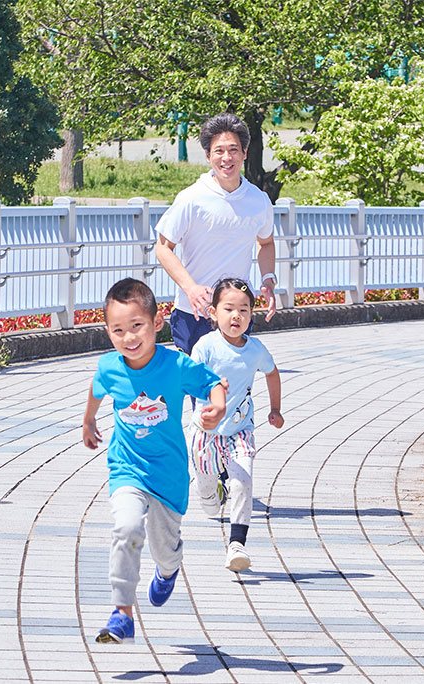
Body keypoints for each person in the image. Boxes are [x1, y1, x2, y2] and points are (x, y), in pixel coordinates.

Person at [81, 278, 227, 644]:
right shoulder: (109, 367)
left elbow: (213, 384)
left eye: (136, 327)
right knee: (127, 528)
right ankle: (122, 613)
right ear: (107, 332)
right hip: (127, 469)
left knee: (164, 548)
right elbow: (97, 391)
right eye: (118, 330)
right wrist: (87, 421)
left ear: (156, 323)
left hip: (168, 477)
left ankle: (168, 570)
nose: (129, 338)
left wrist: (218, 406)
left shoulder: (175, 365)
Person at [155, 112, 279, 357]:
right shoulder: (192, 198)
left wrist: (268, 279)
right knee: (194, 387)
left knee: (231, 386)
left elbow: (266, 243)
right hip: (194, 312)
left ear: (244, 152)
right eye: (219, 151)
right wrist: (190, 288)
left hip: (235, 312)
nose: (226, 158)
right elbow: (162, 247)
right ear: (208, 155)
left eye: (233, 150)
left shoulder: (259, 200)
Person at [189, 278, 284, 573]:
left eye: (244, 310)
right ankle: (213, 492)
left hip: (240, 430)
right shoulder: (206, 346)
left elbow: (272, 373)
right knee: (206, 496)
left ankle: (237, 545)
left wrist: (276, 409)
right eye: (228, 308)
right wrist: (209, 397)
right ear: (213, 313)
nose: (236, 316)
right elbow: (190, 380)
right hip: (205, 431)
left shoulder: (255, 349)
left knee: (243, 481)